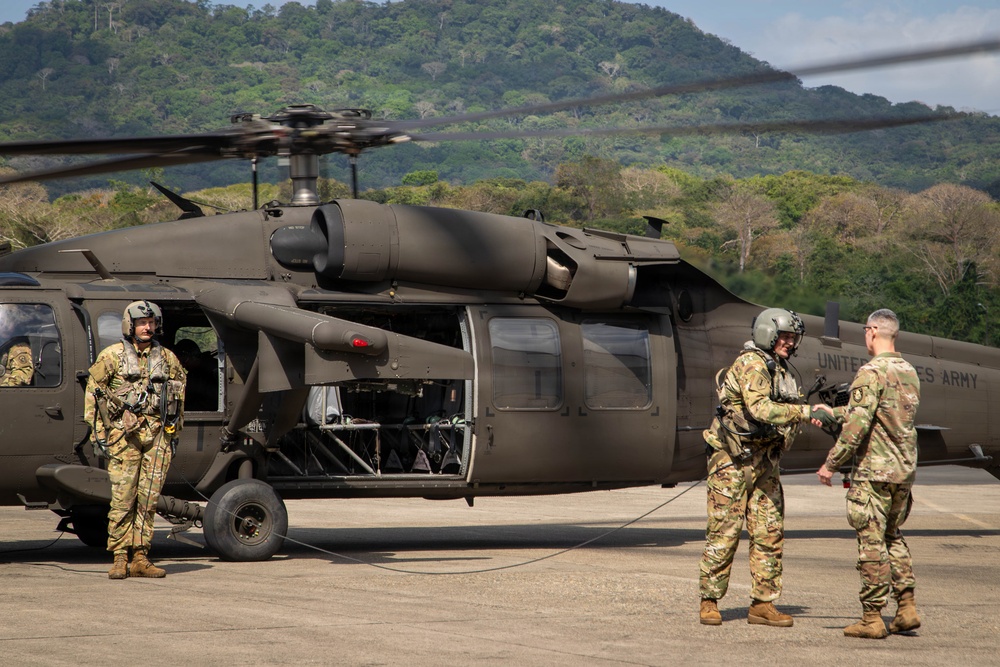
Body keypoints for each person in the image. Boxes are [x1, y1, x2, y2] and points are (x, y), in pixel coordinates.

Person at [699, 308, 822, 627]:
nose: (790, 343)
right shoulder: (752, 363)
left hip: (765, 462)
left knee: (768, 532)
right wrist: (803, 414)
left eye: (793, 338)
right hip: (732, 462)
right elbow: (760, 408)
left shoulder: (780, 369)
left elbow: (788, 408)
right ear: (768, 333)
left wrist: (808, 411)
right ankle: (710, 600)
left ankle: (763, 604)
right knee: (724, 531)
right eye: (785, 337)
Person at [814, 309, 921, 639]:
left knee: (871, 544)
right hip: (902, 470)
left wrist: (830, 463)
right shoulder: (908, 371)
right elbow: (875, 411)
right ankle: (906, 609)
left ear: (873, 332)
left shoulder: (870, 372)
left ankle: (872, 618)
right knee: (893, 536)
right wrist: (832, 413)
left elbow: (858, 427)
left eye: (865, 331)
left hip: (874, 471)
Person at [84, 301, 186, 579]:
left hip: (157, 437)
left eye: (151, 323)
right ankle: (119, 556)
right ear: (130, 325)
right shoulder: (112, 356)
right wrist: (98, 434)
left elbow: (178, 397)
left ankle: (141, 556)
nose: (147, 327)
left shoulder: (167, 358)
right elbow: (94, 393)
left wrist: (174, 434)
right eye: (142, 322)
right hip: (123, 437)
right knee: (123, 497)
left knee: (148, 499)